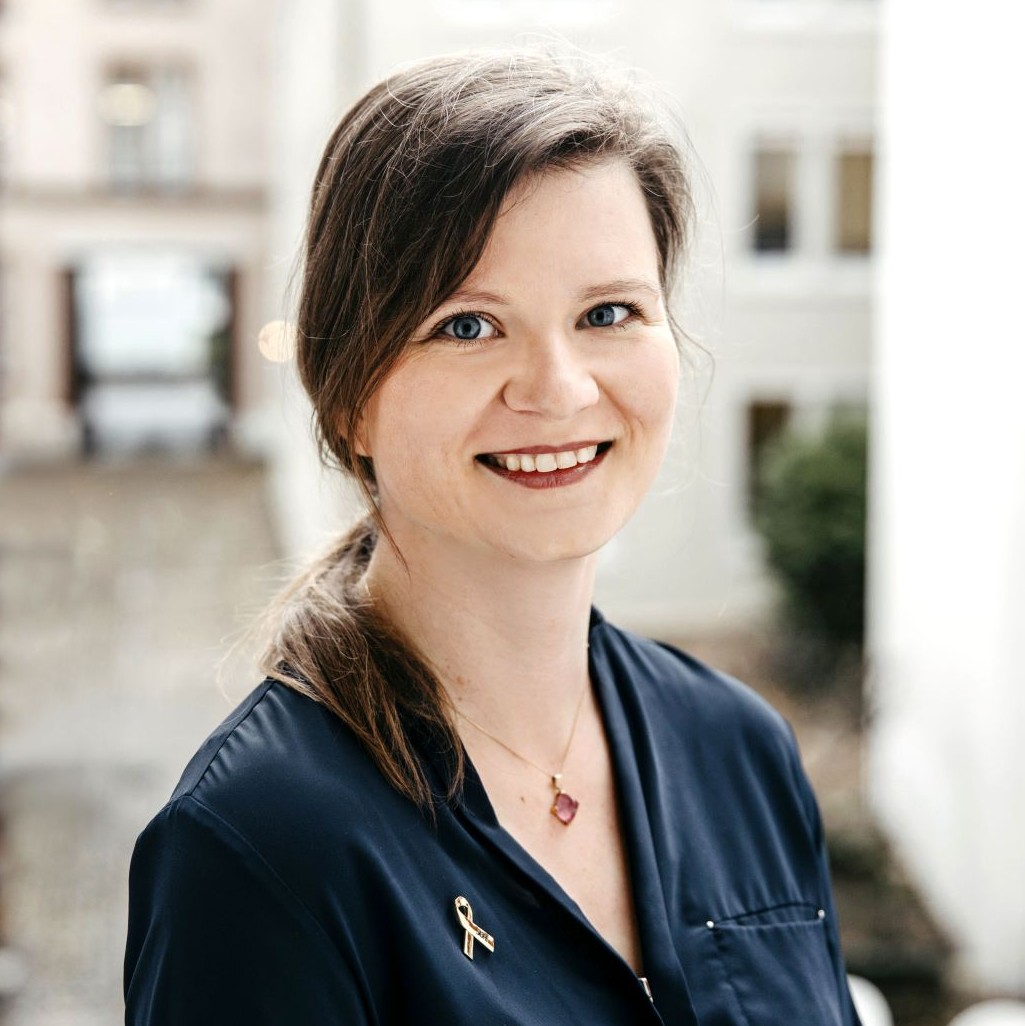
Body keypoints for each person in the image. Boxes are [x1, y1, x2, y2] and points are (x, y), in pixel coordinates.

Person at [124, 51, 862, 1026]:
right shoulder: (258, 847)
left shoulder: (740, 752)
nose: (558, 389)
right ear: (346, 397)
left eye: (607, 313)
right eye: (468, 326)